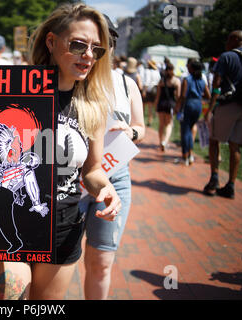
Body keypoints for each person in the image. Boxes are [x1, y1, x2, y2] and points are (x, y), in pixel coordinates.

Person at [0, 3, 121, 300]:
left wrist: (106, 188)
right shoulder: (13, 90)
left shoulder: (94, 105)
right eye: (78, 45)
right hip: (10, 218)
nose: (88, 55)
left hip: (62, 228)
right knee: (7, 299)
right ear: (51, 42)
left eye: (97, 49)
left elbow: (91, 171)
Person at [79, 14, 145, 300]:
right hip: (69, 181)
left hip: (114, 178)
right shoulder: (74, 77)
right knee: (55, 260)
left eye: (105, 43)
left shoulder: (126, 84)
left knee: (101, 263)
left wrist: (130, 132)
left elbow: (141, 128)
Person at [203, 30, 242, 199]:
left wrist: (210, 108)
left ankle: (214, 177)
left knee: (214, 140)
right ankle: (231, 184)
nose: (226, 41)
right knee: (236, 146)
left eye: (229, 38)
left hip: (228, 104)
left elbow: (217, 83)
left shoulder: (227, 56)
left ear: (236, 40)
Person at [174, 59, 210, 166]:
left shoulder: (187, 79)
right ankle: (190, 155)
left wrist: (178, 106)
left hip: (189, 104)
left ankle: (185, 156)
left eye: (189, 66)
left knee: (185, 131)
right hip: (198, 104)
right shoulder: (202, 81)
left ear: (192, 68)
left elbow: (183, 95)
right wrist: (198, 95)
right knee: (190, 129)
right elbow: (208, 95)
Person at [154, 62, 180, 151]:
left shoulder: (162, 81)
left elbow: (158, 95)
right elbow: (178, 96)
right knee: (169, 124)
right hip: (170, 104)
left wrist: (156, 104)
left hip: (161, 103)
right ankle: (165, 141)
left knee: (161, 124)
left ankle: (161, 141)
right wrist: (178, 106)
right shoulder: (176, 81)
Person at [142, 59, 161, 127]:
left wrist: (144, 91)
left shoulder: (148, 71)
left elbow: (147, 81)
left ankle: (142, 120)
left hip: (149, 90)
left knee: (143, 106)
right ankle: (150, 121)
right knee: (151, 107)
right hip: (155, 90)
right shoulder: (157, 72)